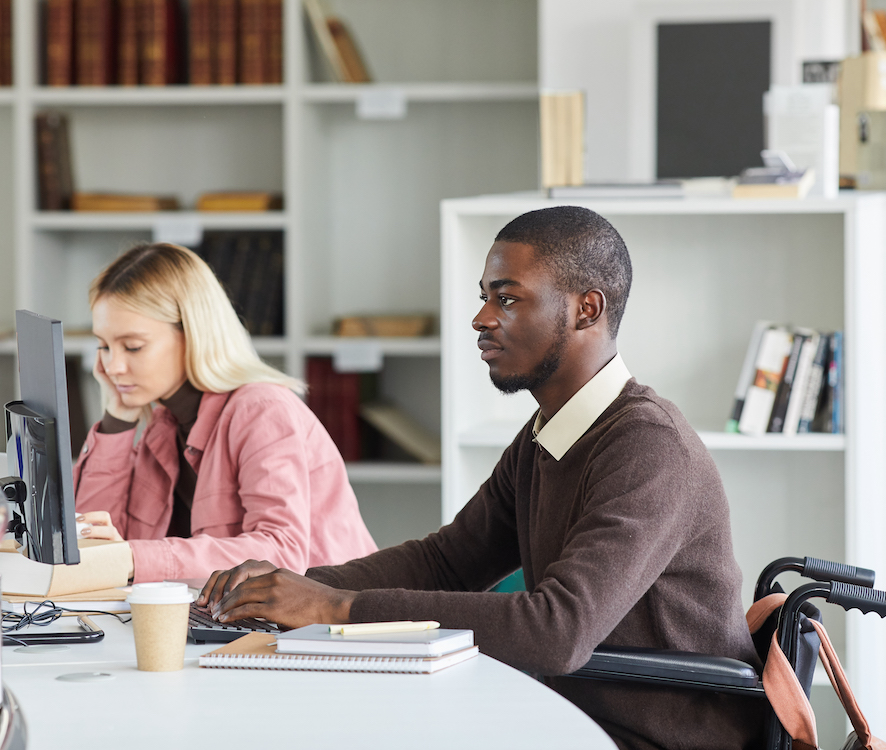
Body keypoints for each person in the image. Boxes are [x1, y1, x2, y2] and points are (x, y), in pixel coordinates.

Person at [198, 206, 763, 750]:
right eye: (485, 297)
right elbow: (446, 561)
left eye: (508, 298)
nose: (482, 318)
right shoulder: (549, 433)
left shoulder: (648, 447)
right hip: (574, 716)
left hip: (662, 738)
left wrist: (334, 608)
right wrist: (288, 587)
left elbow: (556, 630)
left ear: (587, 309)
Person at [72, 242, 378, 585]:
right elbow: (89, 542)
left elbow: (281, 552)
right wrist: (117, 417)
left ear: (194, 334)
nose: (112, 366)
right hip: (235, 620)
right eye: (103, 345)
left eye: (132, 347)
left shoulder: (262, 410)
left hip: (323, 628)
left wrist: (134, 557)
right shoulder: (163, 426)